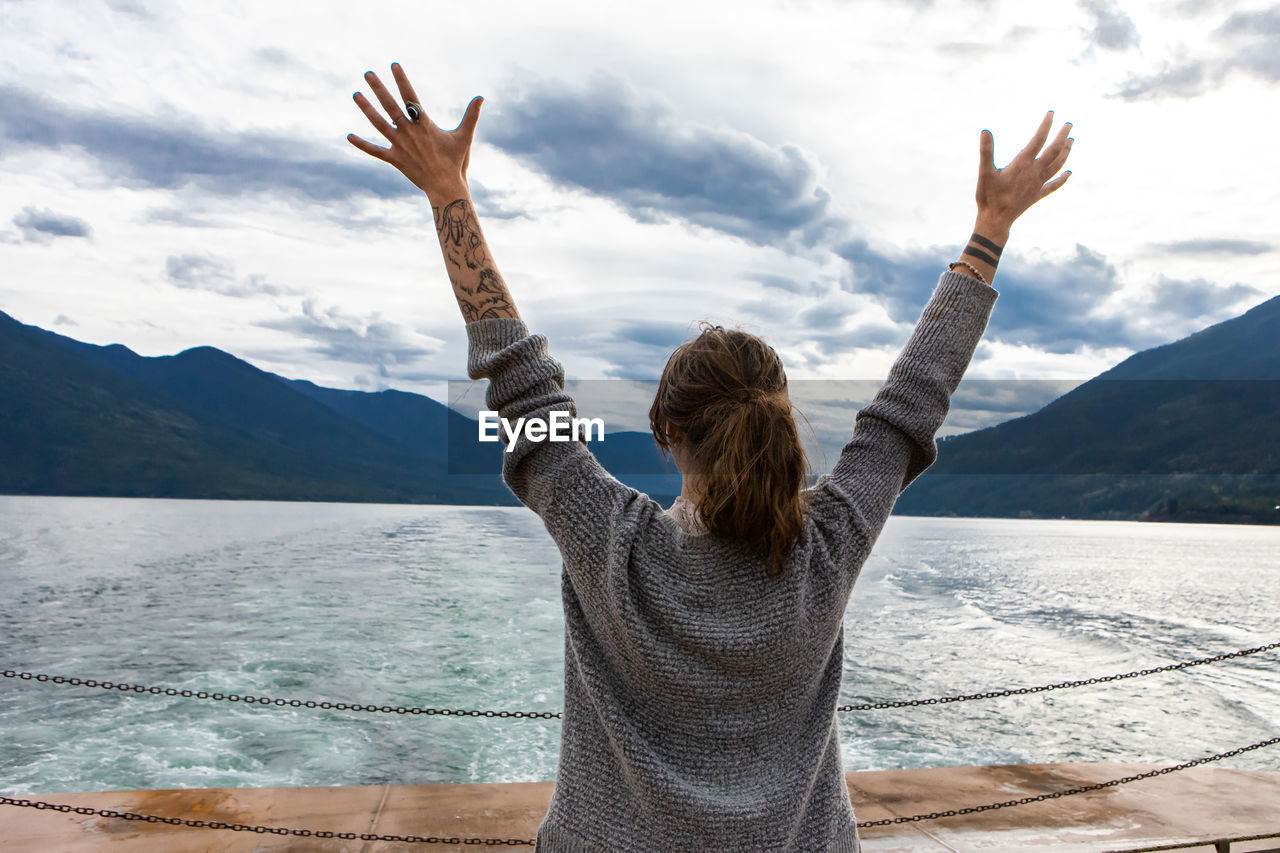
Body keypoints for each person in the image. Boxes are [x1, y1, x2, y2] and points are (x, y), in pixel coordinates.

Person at [349, 63, 1073, 853]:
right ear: (780, 424)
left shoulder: (617, 547)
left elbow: (523, 387)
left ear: (667, 434)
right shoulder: (823, 551)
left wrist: (447, 190)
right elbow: (911, 402)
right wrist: (989, 230)